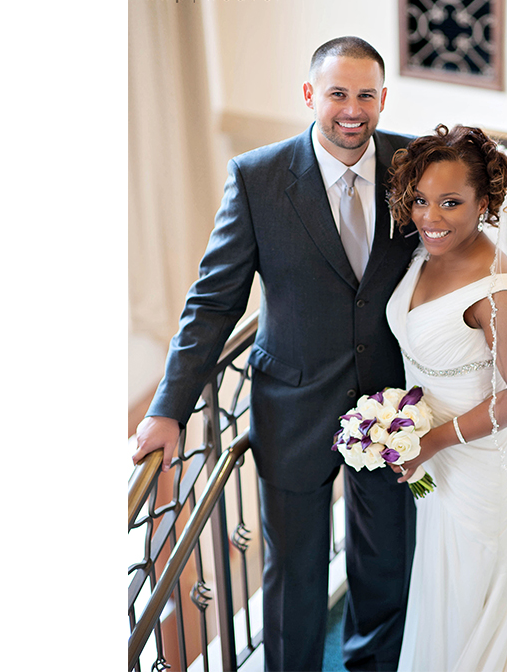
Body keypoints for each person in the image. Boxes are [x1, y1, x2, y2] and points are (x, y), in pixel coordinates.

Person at [131, 37, 420, 671]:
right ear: (310, 94)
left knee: (388, 563)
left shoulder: (414, 164)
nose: (352, 110)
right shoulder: (257, 177)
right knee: (293, 575)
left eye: (365, 95)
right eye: (337, 94)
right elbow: (213, 303)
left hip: (392, 403)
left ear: (383, 97)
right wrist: (167, 409)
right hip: (292, 407)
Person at [384, 125, 507, 671]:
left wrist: (433, 440)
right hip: (435, 455)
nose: (430, 217)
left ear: (483, 203)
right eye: (421, 199)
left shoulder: (498, 288)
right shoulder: (426, 253)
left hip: (478, 460)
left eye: (450, 202)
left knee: (472, 594)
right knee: (441, 585)